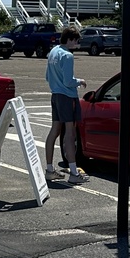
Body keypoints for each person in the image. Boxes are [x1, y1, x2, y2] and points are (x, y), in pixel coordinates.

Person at [41, 28, 87, 183]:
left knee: (54, 131)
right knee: (69, 133)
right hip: (68, 97)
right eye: (76, 40)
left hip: (55, 96)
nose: (77, 44)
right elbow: (68, 81)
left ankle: (49, 169)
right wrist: (80, 81)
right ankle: (74, 173)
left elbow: (48, 76)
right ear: (69, 39)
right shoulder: (67, 55)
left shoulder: (53, 52)